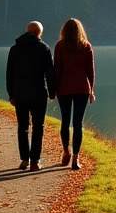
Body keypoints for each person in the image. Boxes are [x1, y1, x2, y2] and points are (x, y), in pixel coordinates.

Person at [6, 21, 57, 171]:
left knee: (22, 127)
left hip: (20, 93)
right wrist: (52, 92)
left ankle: (24, 160)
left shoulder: (14, 49)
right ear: (39, 33)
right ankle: (35, 160)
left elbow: (10, 74)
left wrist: (11, 94)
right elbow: (49, 72)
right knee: (38, 127)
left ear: (27, 31)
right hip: (38, 93)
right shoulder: (43, 48)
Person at [53, 18, 95, 170]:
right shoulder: (86, 46)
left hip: (64, 88)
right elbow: (90, 71)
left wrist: (54, 89)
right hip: (82, 88)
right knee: (78, 123)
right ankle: (76, 158)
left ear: (64, 30)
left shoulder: (60, 46)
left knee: (65, 121)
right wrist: (92, 91)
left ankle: (66, 152)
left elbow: (57, 70)